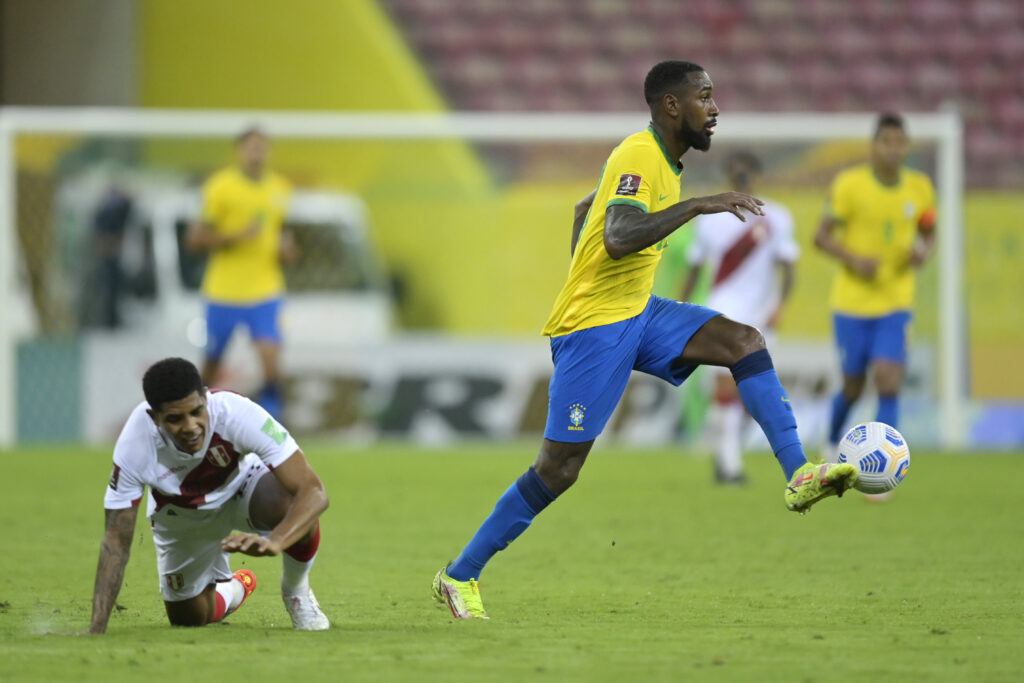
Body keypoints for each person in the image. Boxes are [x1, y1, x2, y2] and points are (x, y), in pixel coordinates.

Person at [431, 61, 858, 620]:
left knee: (744, 342)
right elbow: (617, 236)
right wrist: (699, 205)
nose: (716, 108)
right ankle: (459, 575)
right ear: (672, 106)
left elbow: (591, 210)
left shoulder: (658, 160)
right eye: (705, 97)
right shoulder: (641, 153)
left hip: (639, 311)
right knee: (558, 470)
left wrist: (590, 241)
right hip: (596, 328)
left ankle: (799, 473)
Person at [86, 357, 330, 633]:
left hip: (242, 488)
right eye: (175, 419)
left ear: (205, 397)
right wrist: (96, 628)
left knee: (291, 502)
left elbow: (314, 491)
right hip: (180, 515)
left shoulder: (235, 412)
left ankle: (296, 591)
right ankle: (237, 588)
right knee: (188, 619)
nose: (190, 426)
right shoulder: (134, 446)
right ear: (154, 418)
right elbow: (116, 541)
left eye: (196, 412)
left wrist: (277, 540)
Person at [814, 113, 936, 473]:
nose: (893, 149)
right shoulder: (850, 185)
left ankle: (883, 467)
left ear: (906, 147)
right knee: (852, 385)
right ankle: (832, 439)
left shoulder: (920, 188)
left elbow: (929, 231)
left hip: (895, 302)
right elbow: (820, 236)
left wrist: (922, 252)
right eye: (886, 142)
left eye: (899, 143)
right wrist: (853, 259)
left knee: (888, 379)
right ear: (874, 146)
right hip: (851, 303)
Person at [681, 151, 799, 484]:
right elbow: (694, 268)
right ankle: (728, 464)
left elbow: (789, 267)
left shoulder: (777, 217)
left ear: (758, 176)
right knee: (725, 385)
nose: (742, 178)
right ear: (728, 177)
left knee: (753, 394)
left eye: (747, 173)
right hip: (724, 307)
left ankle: (723, 444)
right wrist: (680, 307)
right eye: (736, 173)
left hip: (761, 311)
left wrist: (781, 304)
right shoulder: (710, 219)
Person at [186, 127, 297, 420]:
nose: (257, 153)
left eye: (262, 147)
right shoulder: (221, 187)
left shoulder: (280, 188)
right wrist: (236, 236)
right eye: (251, 147)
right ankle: (194, 415)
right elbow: (195, 238)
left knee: (271, 360)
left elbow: (282, 232)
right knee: (212, 362)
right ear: (239, 151)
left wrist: (287, 250)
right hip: (224, 291)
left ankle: (273, 422)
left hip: (265, 290)